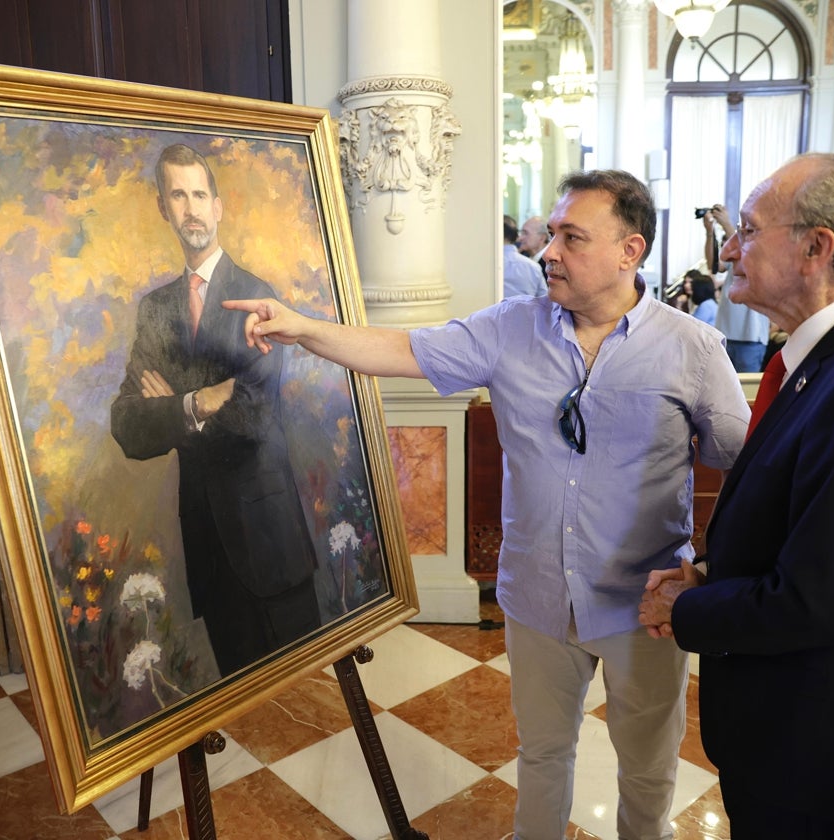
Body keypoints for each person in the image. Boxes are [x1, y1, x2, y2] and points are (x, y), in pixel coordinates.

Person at [225, 170, 750, 840]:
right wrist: (302, 328)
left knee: (647, 769)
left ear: (630, 250)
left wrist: (703, 568)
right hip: (536, 596)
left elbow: (748, 467)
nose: (548, 252)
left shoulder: (692, 347)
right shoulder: (509, 329)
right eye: (551, 232)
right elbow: (400, 349)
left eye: (571, 237)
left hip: (641, 607)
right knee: (542, 755)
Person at [639, 153, 834, 839]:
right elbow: (804, 535)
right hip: (789, 713)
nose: (729, 247)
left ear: (817, 248)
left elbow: (819, 601)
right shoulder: (828, 362)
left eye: (747, 228)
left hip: (811, 723)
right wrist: (709, 576)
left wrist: (686, 608)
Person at [110, 143, 321, 678]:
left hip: (269, 539)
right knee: (242, 701)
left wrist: (173, 412)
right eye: (178, 195)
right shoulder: (155, 309)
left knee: (300, 695)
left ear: (219, 205)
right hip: (205, 539)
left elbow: (252, 421)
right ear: (163, 207)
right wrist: (200, 401)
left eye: (200, 194)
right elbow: (129, 427)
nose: (191, 208)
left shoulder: (259, 297)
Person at [704, 204, 769, 371]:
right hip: (725, 331)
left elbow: (750, 255)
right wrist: (709, 232)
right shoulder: (737, 241)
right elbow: (715, 265)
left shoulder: (765, 245)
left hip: (750, 336)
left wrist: (727, 226)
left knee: (743, 393)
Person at [503, 214, 545, 297]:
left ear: (541, 238)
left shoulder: (551, 263)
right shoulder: (530, 263)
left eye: (525, 233)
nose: (520, 238)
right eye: (521, 233)